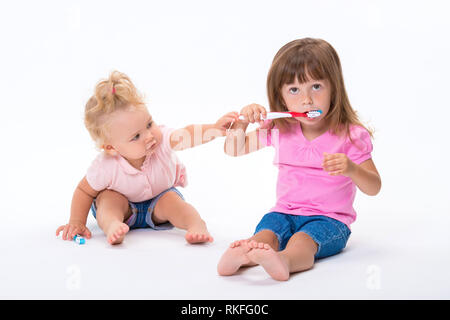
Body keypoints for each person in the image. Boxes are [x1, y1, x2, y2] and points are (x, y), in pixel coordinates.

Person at [217, 38, 381, 281]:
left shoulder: (351, 135)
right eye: (294, 90)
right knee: (266, 235)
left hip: (329, 219)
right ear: (281, 98)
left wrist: (351, 169)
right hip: (283, 212)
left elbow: (374, 187)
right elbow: (233, 150)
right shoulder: (279, 128)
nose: (307, 100)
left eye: (316, 87)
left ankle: (285, 261)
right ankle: (245, 253)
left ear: (334, 88)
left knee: (301, 242)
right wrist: (242, 122)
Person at [56, 71, 238, 245]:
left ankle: (196, 224)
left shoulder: (162, 140)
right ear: (111, 148)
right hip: (124, 208)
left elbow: (186, 135)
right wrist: (77, 221)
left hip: (158, 202)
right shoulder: (105, 166)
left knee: (174, 202)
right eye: (136, 136)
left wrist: (214, 129)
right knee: (108, 201)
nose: (149, 136)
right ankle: (113, 225)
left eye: (149, 124)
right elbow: (84, 191)